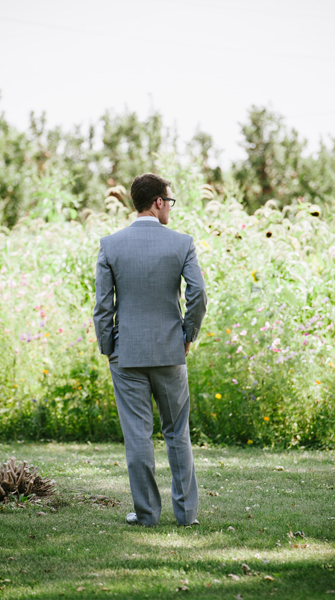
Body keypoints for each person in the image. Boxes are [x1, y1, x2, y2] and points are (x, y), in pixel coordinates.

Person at [93, 173, 207, 527]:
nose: (170, 208)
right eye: (169, 201)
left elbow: (102, 305)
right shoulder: (182, 243)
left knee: (137, 435)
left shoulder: (111, 245)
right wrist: (187, 334)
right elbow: (198, 295)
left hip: (127, 354)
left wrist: (109, 347)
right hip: (171, 352)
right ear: (158, 201)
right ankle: (186, 514)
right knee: (177, 432)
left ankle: (146, 514)